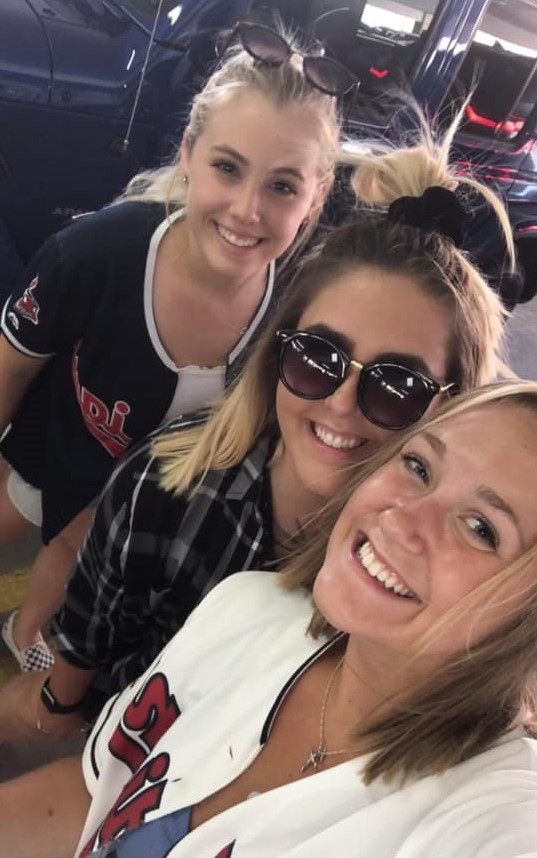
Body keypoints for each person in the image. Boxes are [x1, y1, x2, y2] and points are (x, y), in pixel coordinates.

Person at [0, 110, 512, 742]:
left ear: (452, 407)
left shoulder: (448, 586)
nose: (343, 404)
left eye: (398, 386)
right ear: (278, 351)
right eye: (317, 357)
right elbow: (77, 676)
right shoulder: (163, 487)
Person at [2, 380, 537, 858]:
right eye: (419, 467)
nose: (402, 519)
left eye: (481, 528)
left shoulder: (491, 820)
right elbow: (96, 794)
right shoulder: (247, 607)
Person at [0, 23, 348, 670]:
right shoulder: (95, 253)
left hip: (159, 507)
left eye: (282, 186)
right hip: (57, 459)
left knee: (68, 575)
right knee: (27, 515)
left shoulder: (305, 310)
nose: (247, 210)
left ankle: (34, 652)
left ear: (318, 193)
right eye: (226, 167)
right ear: (187, 152)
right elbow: (12, 367)